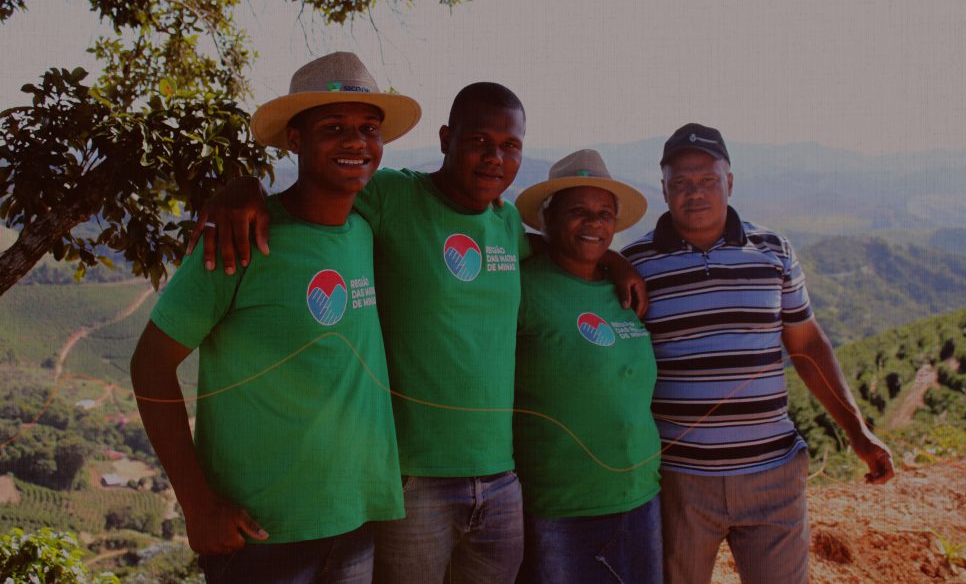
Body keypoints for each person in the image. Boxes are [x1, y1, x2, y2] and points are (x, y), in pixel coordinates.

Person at [192, 86, 646, 584]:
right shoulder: (394, 196)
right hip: (413, 481)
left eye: (510, 145)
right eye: (478, 140)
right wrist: (243, 189)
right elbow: (319, 189)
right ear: (447, 139)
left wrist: (609, 256)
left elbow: (554, 243)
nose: (495, 157)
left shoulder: (507, 222)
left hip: (500, 478)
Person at [130, 52, 419, 583]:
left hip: (355, 519)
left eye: (369, 128)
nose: (357, 142)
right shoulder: (242, 239)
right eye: (334, 128)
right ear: (295, 140)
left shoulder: (366, 230)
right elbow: (150, 364)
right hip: (262, 535)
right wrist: (196, 504)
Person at [621, 123, 895, 584]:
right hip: (680, 483)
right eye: (681, 182)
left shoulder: (773, 251)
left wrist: (858, 433)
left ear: (730, 181)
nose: (696, 193)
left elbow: (807, 347)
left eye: (708, 179)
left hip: (774, 477)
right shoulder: (636, 265)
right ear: (663, 188)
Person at [512, 150, 663, 584]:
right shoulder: (522, 286)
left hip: (641, 498)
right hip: (562, 507)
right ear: (549, 217)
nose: (594, 222)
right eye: (578, 211)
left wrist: (616, 262)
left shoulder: (627, 292)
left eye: (604, 213)